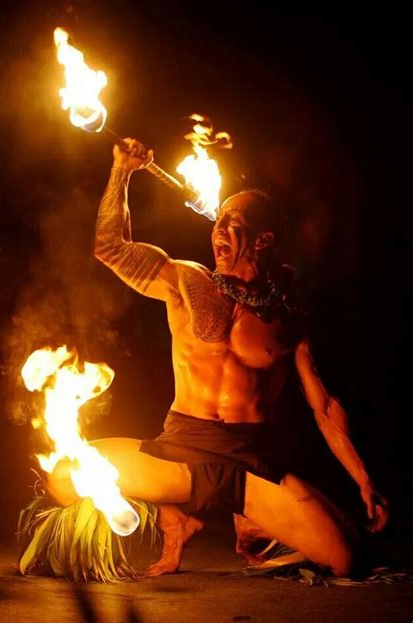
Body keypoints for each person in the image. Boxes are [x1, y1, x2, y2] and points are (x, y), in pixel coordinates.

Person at [47, 138, 388, 577]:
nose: (219, 229)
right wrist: (122, 170)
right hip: (179, 456)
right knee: (63, 474)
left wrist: (364, 479)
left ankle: (250, 524)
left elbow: (323, 408)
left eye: (234, 222)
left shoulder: (288, 318)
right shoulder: (186, 281)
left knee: (348, 560)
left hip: (250, 470)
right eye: (218, 220)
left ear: (263, 240)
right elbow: (109, 247)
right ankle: (183, 512)